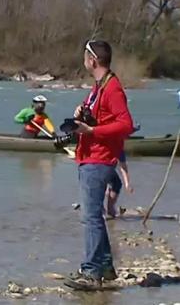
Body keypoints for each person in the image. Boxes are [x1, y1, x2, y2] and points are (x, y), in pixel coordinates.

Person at [64, 40, 134, 290]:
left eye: (85, 56)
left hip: (99, 157)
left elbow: (126, 124)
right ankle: (105, 267)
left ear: (92, 60)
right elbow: (99, 115)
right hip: (90, 156)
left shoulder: (112, 88)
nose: (84, 60)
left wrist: (92, 129)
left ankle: (92, 272)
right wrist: (81, 114)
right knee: (94, 215)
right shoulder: (98, 87)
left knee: (90, 216)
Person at [104, 151, 134, 219]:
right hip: (96, 167)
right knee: (102, 185)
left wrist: (127, 184)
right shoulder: (116, 146)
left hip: (108, 170)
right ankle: (103, 210)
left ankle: (110, 209)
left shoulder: (119, 148)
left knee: (116, 183)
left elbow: (123, 166)